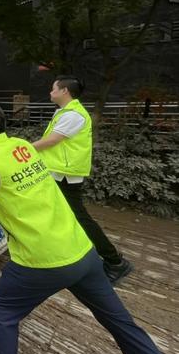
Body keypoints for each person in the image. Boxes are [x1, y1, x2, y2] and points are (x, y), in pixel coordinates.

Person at [0, 102, 168, 354]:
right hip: (82, 252)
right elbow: (0, 174)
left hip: (43, 260)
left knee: (1, 306)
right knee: (120, 322)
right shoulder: (20, 146)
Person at [32, 75, 132, 284]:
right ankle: (71, 255)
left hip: (66, 175)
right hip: (58, 172)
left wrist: (21, 149)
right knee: (63, 217)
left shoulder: (74, 115)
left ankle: (115, 261)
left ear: (64, 91)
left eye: (53, 89)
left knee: (79, 217)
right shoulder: (65, 112)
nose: (50, 93)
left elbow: (52, 141)